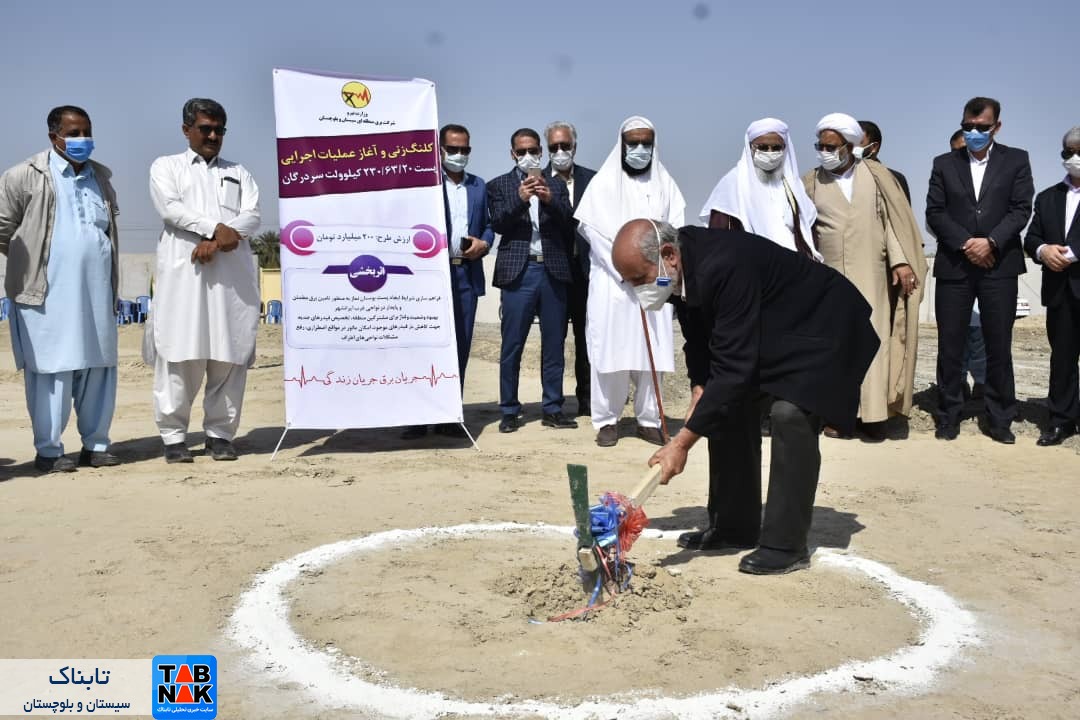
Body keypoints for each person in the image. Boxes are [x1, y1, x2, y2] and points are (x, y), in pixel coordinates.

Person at [612, 219, 878, 574]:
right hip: (775, 331)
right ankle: (733, 527)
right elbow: (700, 341)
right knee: (723, 410)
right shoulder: (678, 273)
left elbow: (734, 369)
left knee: (790, 415)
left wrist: (681, 445)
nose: (637, 290)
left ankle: (786, 545)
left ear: (668, 255)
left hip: (825, 327)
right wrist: (698, 389)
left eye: (639, 280)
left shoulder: (722, 265)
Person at [0, 105, 121, 473]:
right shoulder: (26, 175)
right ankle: (50, 451)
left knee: (98, 367)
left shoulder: (101, 177)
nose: (82, 140)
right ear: (54, 137)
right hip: (46, 295)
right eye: (74, 133)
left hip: (96, 293)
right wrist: (37, 258)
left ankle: (96, 445)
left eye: (87, 132)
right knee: (51, 370)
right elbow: (3, 227)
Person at [148, 98, 261, 463]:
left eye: (219, 129)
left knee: (229, 355)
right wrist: (213, 229)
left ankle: (220, 434)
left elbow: (252, 215)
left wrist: (219, 240)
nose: (213, 135)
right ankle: (173, 436)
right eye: (205, 128)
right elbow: (171, 209)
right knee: (181, 354)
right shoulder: (166, 167)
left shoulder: (239, 171)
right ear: (187, 130)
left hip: (232, 279)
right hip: (186, 277)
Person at [803, 113, 926, 442]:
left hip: (871, 271)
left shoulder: (876, 176)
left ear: (849, 146)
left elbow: (893, 223)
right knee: (836, 347)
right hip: (828, 276)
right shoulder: (811, 181)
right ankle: (841, 417)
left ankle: (873, 418)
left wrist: (901, 263)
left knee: (873, 342)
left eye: (831, 146)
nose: (824, 151)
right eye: (820, 146)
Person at [926, 96, 1034, 443]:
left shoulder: (1016, 160)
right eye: (968, 127)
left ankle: (1000, 417)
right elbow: (935, 212)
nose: (974, 133)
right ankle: (948, 415)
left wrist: (990, 242)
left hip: (999, 265)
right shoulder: (944, 163)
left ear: (996, 127)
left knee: (998, 343)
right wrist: (967, 244)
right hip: (955, 266)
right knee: (951, 344)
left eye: (981, 127)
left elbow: (1020, 209)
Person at [575, 116, 686, 447]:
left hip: (655, 282)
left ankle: (649, 419)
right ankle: (607, 420)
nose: (639, 150)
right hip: (613, 284)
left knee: (652, 348)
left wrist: (651, 272)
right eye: (633, 143)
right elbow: (593, 233)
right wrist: (627, 271)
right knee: (610, 350)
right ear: (621, 145)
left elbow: (674, 231)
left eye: (645, 144)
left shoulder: (666, 184)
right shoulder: (603, 184)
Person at [402, 123, 494, 440]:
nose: (458, 155)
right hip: (430, 278)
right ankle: (417, 416)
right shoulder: (425, 185)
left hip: (466, 273)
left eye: (464, 150)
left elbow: (489, 226)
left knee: (460, 346)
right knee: (426, 346)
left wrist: (485, 243)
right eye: (452, 149)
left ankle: (449, 414)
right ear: (439, 150)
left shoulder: (479, 186)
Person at [486, 128, 577, 433]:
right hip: (518, 272)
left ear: (541, 151)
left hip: (552, 271)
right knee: (512, 345)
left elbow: (570, 221)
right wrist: (520, 199)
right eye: (522, 152)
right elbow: (498, 223)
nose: (528, 156)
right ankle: (510, 410)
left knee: (554, 345)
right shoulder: (499, 185)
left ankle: (552, 408)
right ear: (512, 154)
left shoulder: (556, 184)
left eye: (533, 151)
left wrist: (551, 200)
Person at [1023, 126, 1080, 446]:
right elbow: (1032, 237)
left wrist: (1071, 254)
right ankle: (1061, 420)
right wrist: (1044, 251)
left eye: (1079, 152)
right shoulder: (1047, 198)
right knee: (1062, 359)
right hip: (1060, 291)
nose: (1074, 158)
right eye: (1068, 152)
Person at [700, 117, 820, 261]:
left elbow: (808, 231)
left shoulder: (793, 187)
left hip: (791, 270)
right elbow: (718, 236)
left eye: (776, 148)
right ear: (750, 147)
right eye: (763, 148)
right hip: (750, 269)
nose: (770, 153)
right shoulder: (732, 184)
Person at [544, 121, 596, 417]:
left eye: (565, 146)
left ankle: (587, 400)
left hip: (586, 273)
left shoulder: (594, 180)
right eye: (554, 147)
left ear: (575, 147)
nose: (560, 151)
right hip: (551, 273)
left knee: (587, 340)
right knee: (553, 340)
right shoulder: (537, 181)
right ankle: (552, 403)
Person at [949, 131, 988, 399]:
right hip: (955, 266)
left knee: (982, 341)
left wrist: (984, 245)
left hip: (989, 264)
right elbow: (935, 219)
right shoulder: (946, 179)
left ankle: (984, 387)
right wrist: (966, 243)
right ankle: (957, 386)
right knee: (956, 341)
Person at [857, 120, 911, 203]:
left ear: (874, 147)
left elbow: (903, 213)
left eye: (858, 142)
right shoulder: (839, 177)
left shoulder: (894, 179)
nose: (851, 148)